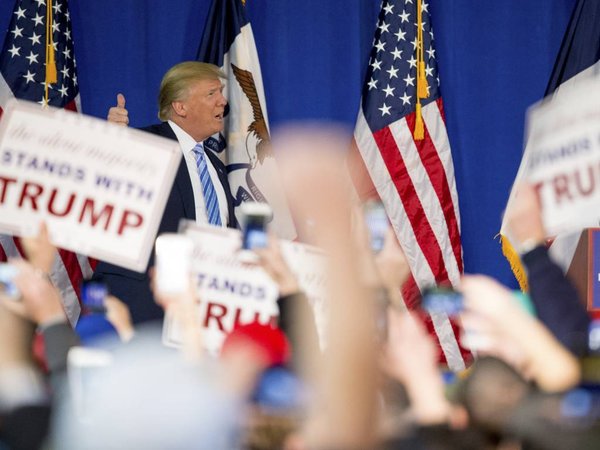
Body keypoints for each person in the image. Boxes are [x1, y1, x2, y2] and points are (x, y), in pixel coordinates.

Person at [94, 61, 238, 324]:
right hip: (147, 308)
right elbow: (105, 188)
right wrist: (114, 143)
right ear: (180, 107)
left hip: (206, 308)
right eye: (211, 94)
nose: (223, 102)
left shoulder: (215, 165)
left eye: (220, 93)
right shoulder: (144, 146)